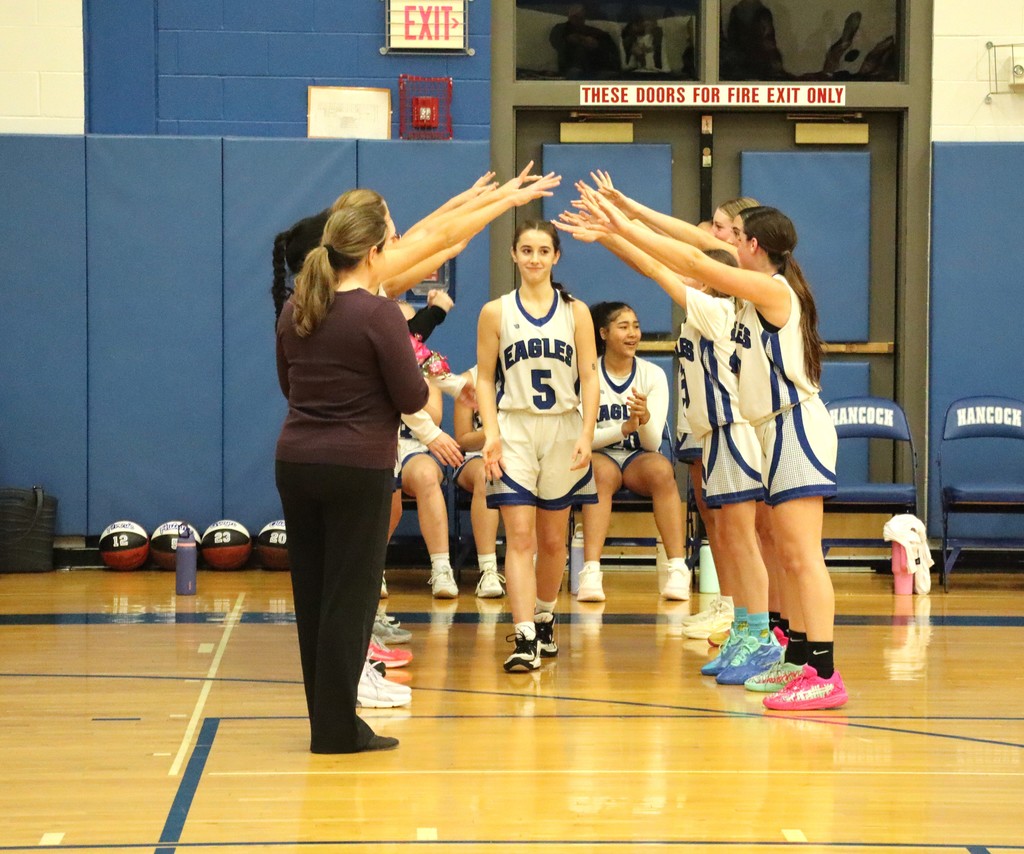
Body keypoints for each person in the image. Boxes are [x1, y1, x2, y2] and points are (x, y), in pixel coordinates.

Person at [275, 168, 563, 753]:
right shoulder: (378, 313)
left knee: (314, 597)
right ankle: (338, 726)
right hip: (355, 466)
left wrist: (489, 196)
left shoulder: (296, 309)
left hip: (296, 462)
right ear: (376, 248)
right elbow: (409, 397)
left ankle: (327, 723)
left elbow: (289, 386)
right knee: (350, 600)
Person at [567, 196, 846, 711]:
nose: (724, 243)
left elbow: (693, 259)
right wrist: (612, 235)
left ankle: (824, 671)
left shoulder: (771, 289)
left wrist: (621, 221)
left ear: (753, 245)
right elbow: (670, 267)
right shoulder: (737, 304)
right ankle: (799, 656)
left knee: (802, 555)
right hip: (769, 429)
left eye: (734, 237)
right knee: (786, 552)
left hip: (795, 423)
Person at [476, 220, 599, 673]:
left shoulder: (576, 312)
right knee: (521, 536)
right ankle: (525, 636)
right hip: (515, 429)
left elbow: (590, 376)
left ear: (556, 257)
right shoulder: (495, 312)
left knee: (552, 540)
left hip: (563, 429)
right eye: (526, 250)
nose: (534, 258)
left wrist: (586, 435)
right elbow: (485, 379)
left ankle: (546, 618)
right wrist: (490, 432)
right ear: (513, 255)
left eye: (542, 250)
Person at [574, 301, 690, 603]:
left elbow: (652, 444)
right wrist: (622, 429)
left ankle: (678, 567)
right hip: (600, 456)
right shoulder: (587, 375)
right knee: (599, 473)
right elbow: (582, 440)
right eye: (623, 327)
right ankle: (591, 571)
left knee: (663, 470)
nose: (632, 333)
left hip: (638, 458)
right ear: (603, 333)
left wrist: (644, 419)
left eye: (636, 326)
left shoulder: (652, 375)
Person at [389, 382, 460, 598]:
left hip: (415, 445)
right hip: (380, 443)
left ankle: (441, 568)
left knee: (427, 476)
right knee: (383, 490)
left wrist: (407, 385)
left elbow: (435, 418)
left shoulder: (428, 367)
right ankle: (371, 571)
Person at [453, 364, 506, 599]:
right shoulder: (468, 379)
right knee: (488, 475)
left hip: (519, 454)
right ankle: (488, 570)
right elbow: (463, 439)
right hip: (476, 456)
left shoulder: (524, 373)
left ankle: (534, 565)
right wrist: (495, 432)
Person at [549, 4, 621, 79]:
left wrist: (596, 45)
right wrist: (580, 39)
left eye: (581, 18)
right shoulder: (561, 28)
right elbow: (556, 40)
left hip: (597, 68)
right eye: (575, 17)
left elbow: (609, 48)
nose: (578, 20)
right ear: (569, 17)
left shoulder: (595, 32)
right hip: (572, 68)